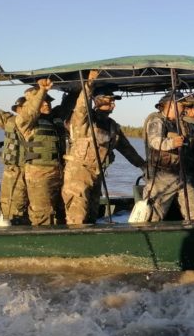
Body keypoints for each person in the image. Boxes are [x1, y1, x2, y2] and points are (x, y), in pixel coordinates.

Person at [62, 71, 145, 224]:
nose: (113, 104)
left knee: (93, 215)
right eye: (109, 101)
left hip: (97, 175)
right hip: (78, 174)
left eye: (113, 101)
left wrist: (143, 166)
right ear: (97, 100)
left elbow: (127, 150)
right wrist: (89, 84)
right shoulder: (84, 121)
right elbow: (81, 107)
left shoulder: (112, 126)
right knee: (77, 217)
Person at [141, 92, 194, 221]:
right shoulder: (156, 120)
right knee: (154, 215)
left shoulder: (184, 124)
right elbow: (155, 142)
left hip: (183, 176)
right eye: (182, 106)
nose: (185, 109)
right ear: (171, 105)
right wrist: (173, 143)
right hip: (161, 178)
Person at [15, 79, 75, 225]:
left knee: (63, 211)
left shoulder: (55, 118)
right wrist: (42, 91)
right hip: (39, 176)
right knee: (42, 214)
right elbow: (30, 112)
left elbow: (68, 104)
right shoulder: (26, 122)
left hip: (59, 172)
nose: (46, 103)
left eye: (48, 101)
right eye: (42, 101)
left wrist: (81, 86)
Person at [0, 97, 29, 224]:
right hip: (15, 170)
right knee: (12, 204)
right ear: (18, 110)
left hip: (38, 172)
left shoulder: (44, 121)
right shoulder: (11, 121)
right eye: (22, 108)